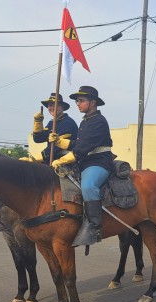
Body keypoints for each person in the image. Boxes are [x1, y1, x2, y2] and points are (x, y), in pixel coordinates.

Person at [49, 86, 114, 247]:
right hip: (85, 162)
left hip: (99, 162)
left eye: (81, 100)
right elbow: (78, 143)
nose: (78, 103)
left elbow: (83, 148)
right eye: (77, 101)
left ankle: (94, 226)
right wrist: (59, 142)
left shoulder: (99, 121)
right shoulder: (85, 121)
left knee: (88, 186)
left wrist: (62, 160)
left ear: (92, 102)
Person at [21, 93, 78, 163]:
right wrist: (38, 122)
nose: (53, 108)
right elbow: (38, 139)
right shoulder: (51, 123)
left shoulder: (68, 123)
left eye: (56, 105)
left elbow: (56, 148)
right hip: (49, 159)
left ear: (62, 107)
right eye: (50, 105)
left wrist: (35, 158)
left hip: (65, 162)